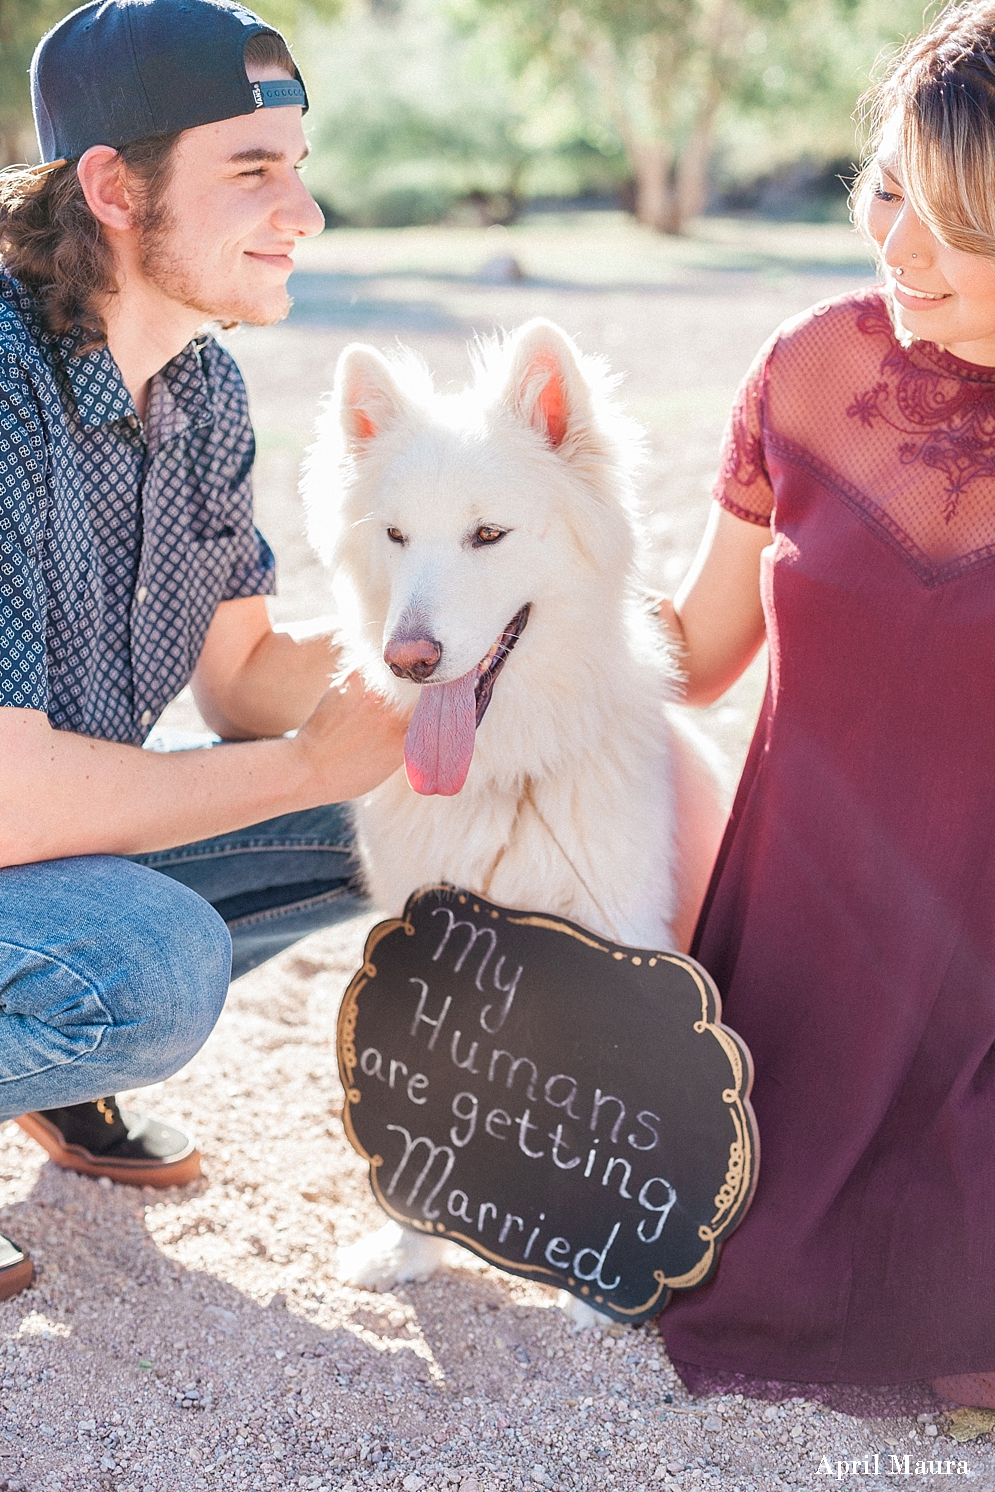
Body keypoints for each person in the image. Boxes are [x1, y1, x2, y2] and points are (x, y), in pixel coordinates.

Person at [0, 0, 407, 1300]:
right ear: (113, 186)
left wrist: (433, 661)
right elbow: (15, 798)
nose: (306, 211)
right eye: (254, 171)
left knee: (396, 802)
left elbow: (237, 675)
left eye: (300, 163)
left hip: (33, 846)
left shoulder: (201, 384)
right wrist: (303, 763)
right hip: (19, 823)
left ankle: (51, 1071)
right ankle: (63, 1020)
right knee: (146, 966)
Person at [655, 0, 995, 1416]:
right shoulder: (811, 371)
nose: (900, 249)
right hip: (793, 989)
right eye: (891, 192)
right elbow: (695, 651)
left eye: (962, 218)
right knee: (759, 1276)